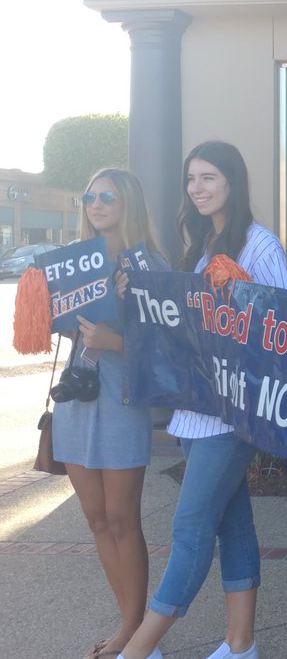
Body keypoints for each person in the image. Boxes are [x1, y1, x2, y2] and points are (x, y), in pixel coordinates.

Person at [118, 141, 287, 659]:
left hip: (235, 412)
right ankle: (240, 646)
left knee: (190, 526)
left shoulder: (259, 245)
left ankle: (139, 648)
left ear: (232, 183)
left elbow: (280, 327)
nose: (197, 188)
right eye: (191, 178)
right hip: (195, 408)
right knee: (231, 521)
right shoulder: (197, 244)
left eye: (209, 177)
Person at [54, 169, 164, 659]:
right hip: (78, 400)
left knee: (123, 517)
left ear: (128, 202)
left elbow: (168, 350)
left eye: (106, 197)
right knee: (97, 518)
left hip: (122, 400)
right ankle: (130, 626)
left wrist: (113, 340)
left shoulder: (149, 264)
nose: (95, 204)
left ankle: (134, 634)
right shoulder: (74, 264)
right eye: (88, 196)